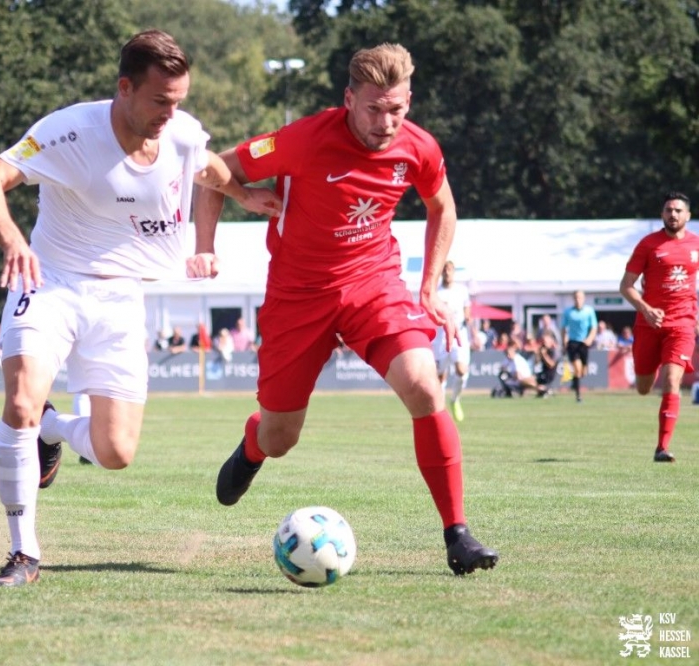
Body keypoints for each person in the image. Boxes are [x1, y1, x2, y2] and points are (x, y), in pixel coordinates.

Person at [0, 29, 280, 587]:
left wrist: (243, 195)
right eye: (160, 100)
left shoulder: (179, 133)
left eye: (178, 100)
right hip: (50, 281)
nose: (170, 114)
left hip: (121, 296)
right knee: (20, 403)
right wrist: (13, 243)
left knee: (115, 452)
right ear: (125, 87)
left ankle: (51, 428)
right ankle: (23, 553)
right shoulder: (68, 133)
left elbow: (207, 167)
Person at [197, 42, 497, 575]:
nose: (386, 123)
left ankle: (458, 534)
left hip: (373, 283)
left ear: (409, 101)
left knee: (424, 386)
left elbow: (442, 206)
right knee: (280, 437)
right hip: (297, 296)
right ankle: (254, 445)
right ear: (349, 99)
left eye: (396, 109)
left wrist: (428, 287)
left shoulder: (419, 147)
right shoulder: (301, 140)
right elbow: (211, 170)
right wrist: (217, 230)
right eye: (374, 109)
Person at [619, 191, 698, 463]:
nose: (673, 214)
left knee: (672, 379)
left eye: (678, 210)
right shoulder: (648, 245)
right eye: (668, 210)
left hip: (682, 324)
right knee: (643, 387)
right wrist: (646, 309)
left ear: (688, 215)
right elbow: (626, 286)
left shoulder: (696, 244)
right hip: (648, 324)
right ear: (662, 214)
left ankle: (662, 448)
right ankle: (648, 369)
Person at [432, 260, 472, 422]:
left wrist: (469, 321)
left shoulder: (462, 290)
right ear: (441, 272)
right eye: (444, 269)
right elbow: (431, 312)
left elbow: (467, 311)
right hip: (441, 336)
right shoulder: (436, 292)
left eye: (449, 269)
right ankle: (441, 410)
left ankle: (455, 399)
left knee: (461, 371)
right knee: (440, 376)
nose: (447, 272)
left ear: (454, 272)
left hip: (459, 334)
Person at [560, 290, 598, 402]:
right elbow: (563, 328)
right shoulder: (568, 312)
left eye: (580, 297)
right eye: (576, 297)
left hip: (584, 343)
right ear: (573, 298)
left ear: (583, 298)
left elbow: (594, 327)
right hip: (573, 343)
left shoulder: (589, 311)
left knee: (583, 371)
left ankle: (575, 381)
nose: (578, 299)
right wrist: (564, 341)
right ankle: (578, 396)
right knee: (577, 368)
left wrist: (589, 339)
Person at [533, 330, 560, 396]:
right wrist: (538, 353)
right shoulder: (543, 349)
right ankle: (544, 390)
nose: (544, 343)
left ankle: (546, 390)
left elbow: (551, 364)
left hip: (550, 378)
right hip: (542, 375)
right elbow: (536, 362)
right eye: (543, 341)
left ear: (551, 341)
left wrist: (544, 355)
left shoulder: (554, 351)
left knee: (534, 384)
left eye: (545, 341)